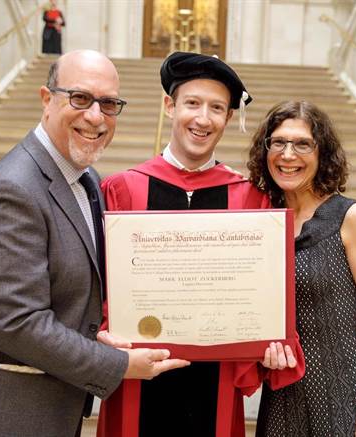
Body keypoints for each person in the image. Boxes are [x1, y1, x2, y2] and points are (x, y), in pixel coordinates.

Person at [0, 50, 189, 437]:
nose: (96, 116)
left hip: (49, 409)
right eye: (80, 98)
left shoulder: (87, 179)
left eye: (109, 104)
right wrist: (118, 364)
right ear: (47, 99)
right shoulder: (12, 189)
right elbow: (17, 321)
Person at [97, 52, 306, 437]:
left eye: (217, 108)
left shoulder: (249, 198)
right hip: (137, 378)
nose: (203, 119)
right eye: (192, 103)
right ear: (169, 106)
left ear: (228, 117)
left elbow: (261, 295)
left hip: (217, 381)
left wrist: (270, 341)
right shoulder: (123, 190)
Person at [247, 100, 356, 437]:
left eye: (302, 144)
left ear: (321, 152)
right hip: (282, 397)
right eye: (278, 142)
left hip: (342, 393)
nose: (287, 155)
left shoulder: (350, 217)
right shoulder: (263, 221)